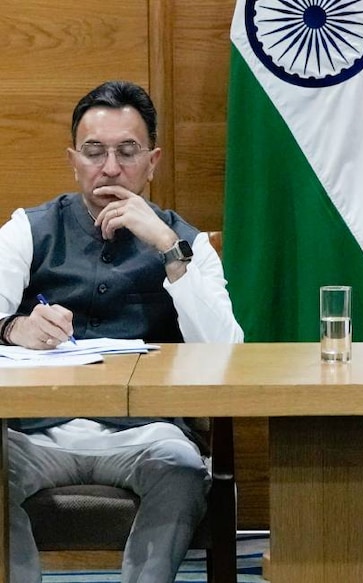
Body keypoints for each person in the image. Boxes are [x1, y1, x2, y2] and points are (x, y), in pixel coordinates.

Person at [0, 81, 244, 583]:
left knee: (182, 471)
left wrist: (167, 247)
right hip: (32, 435)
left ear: (152, 162)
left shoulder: (186, 241)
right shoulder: (27, 229)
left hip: (147, 435)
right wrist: (14, 327)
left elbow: (226, 353)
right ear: (73, 160)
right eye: (95, 152)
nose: (110, 168)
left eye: (127, 152)